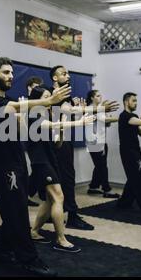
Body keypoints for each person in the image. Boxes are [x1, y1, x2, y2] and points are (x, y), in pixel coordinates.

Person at [0, 57, 70, 276]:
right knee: (18, 211)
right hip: (2, 165)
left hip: (17, 160)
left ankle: (0, 247)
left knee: (16, 206)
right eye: (5, 72)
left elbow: (22, 122)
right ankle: (28, 258)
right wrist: (44, 102)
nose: (10, 76)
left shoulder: (9, 100)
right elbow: (15, 107)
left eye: (11, 73)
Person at [50, 65, 119, 230]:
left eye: (68, 73)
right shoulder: (55, 95)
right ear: (54, 77)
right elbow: (69, 110)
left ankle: (55, 213)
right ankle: (72, 216)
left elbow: (72, 111)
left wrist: (82, 110)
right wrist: (99, 108)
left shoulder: (64, 96)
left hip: (63, 140)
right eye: (63, 73)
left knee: (61, 179)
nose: (67, 76)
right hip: (58, 142)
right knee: (66, 178)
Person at [28, 86, 95, 253]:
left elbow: (57, 143)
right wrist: (76, 122)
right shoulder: (33, 115)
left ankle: (34, 231)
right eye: (46, 97)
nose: (50, 99)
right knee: (59, 196)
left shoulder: (48, 115)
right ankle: (60, 239)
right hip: (40, 162)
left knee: (50, 200)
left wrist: (62, 130)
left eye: (50, 96)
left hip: (50, 159)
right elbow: (52, 125)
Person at [85, 89, 119, 198]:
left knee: (99, 165)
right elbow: (105, 120)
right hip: (95, 141)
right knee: (102, 166)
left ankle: (93, 187)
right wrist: (122, 118)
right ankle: (106, 189)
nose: (100, 98)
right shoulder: (91, 109)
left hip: (101, 141)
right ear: (92, 98)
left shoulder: (99, 110)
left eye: (101, 96)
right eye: (98, 96)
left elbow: (104, 123)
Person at [24, 76, 44, 207]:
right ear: (29, 88)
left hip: (42, 139)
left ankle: (31, 193)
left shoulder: (41, 102)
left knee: (39, 170)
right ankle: (25, 194)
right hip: (30, 140)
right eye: (34, 87)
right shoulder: (23, 102)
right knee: (37, 169)